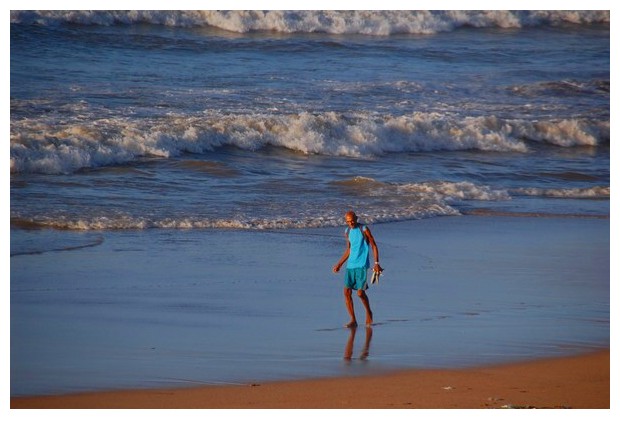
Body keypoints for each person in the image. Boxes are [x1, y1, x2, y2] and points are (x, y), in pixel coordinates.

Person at [332, 211, 383, 328]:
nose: (351, 223)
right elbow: (349, 249)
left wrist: (376, 263)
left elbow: (374, 245)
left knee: (360, 293)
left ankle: (368, 311)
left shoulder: (363, 229)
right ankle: (353, 320)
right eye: (348, 221)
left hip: (361, 265)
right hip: (350, 265)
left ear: (356, 218)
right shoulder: (347, 231)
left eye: (352, 220)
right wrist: (339, 264)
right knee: (346, 292)